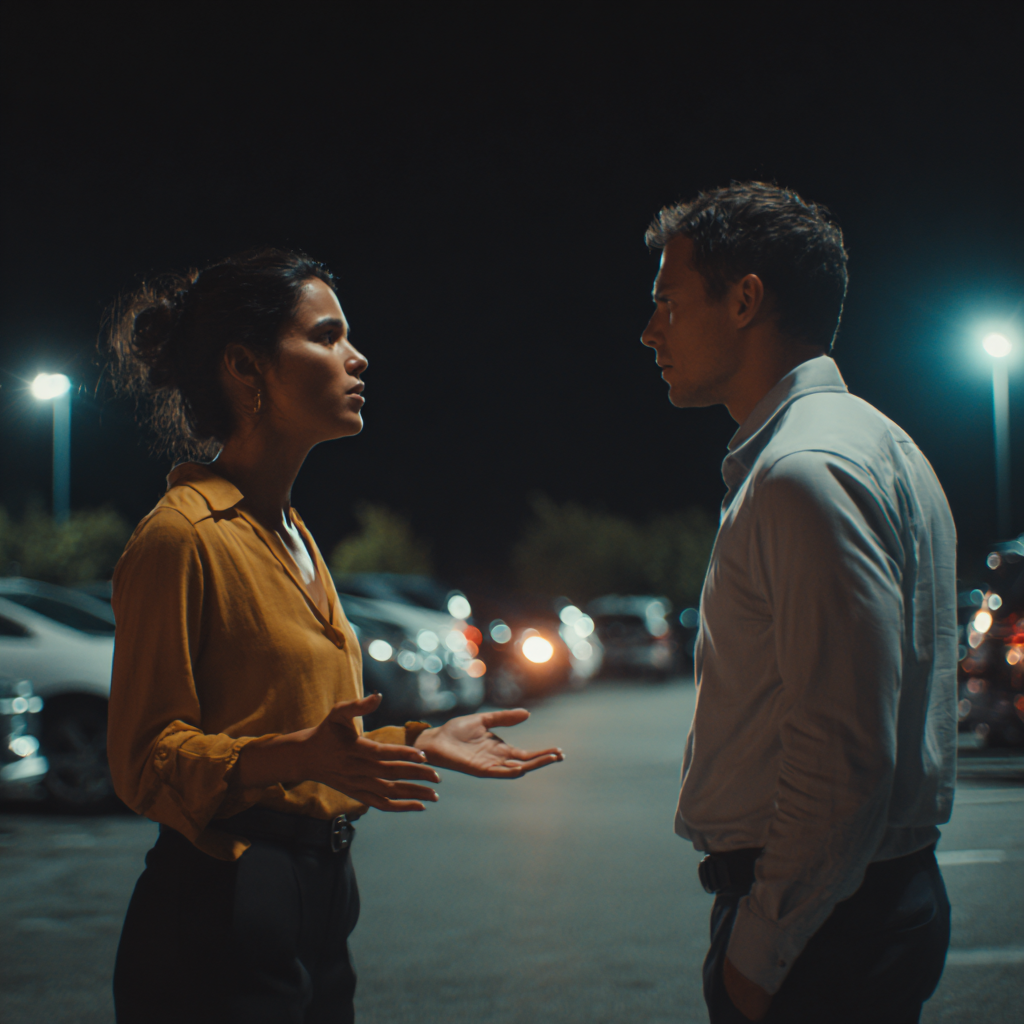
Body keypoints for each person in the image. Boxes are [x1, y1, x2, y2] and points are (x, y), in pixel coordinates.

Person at [102, 248, 564, 1024]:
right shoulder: (180, 538)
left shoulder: (292, 533)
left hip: (320, 897)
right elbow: (143, 762)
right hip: (218, 908)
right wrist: (295, 757)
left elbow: (312, 734)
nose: (357, 356)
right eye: (326, 335)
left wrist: (419, 740)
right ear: (247, 369)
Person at [640, 183, 956, 1023]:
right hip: (865, 902)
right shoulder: (880, 444)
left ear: (745, 299)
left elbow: (842, 747)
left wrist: (760, 952)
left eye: (667, 302)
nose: (649, 331)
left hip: (826, 931)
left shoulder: (803, 469)